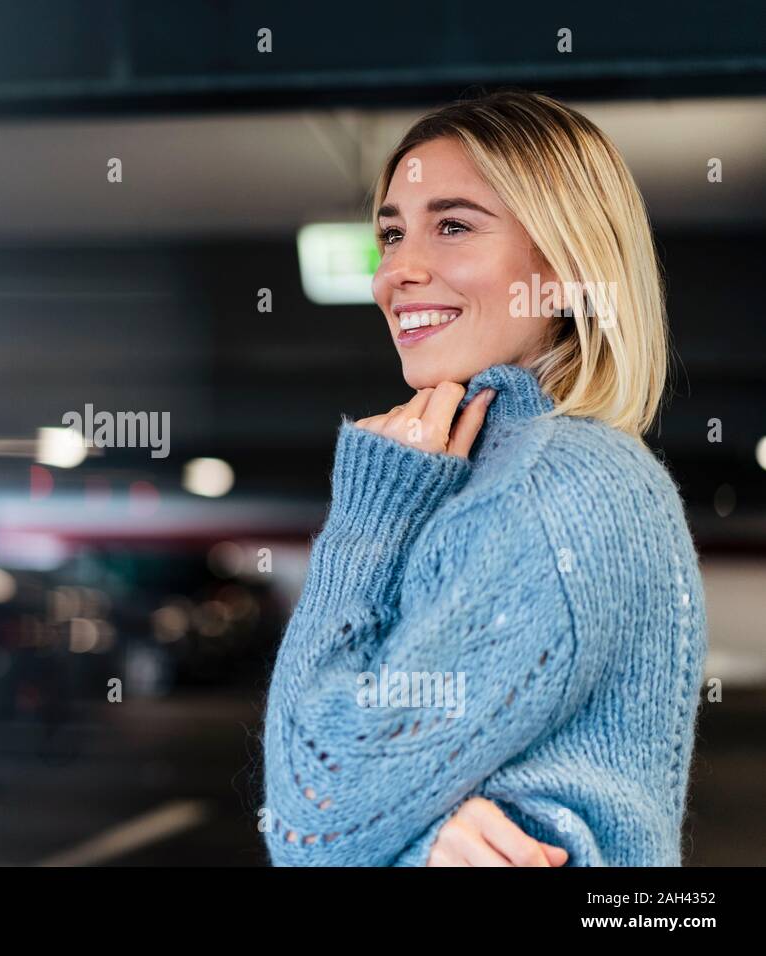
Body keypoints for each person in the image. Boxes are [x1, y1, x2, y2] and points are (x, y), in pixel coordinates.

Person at [262, 90, 707, 866]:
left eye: (454, 225)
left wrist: (366, 521)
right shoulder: (513, 475)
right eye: (392, 233)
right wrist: (422, 845)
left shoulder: (552, 485)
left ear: (569, 269)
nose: (396, 271)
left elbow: (313, 819)